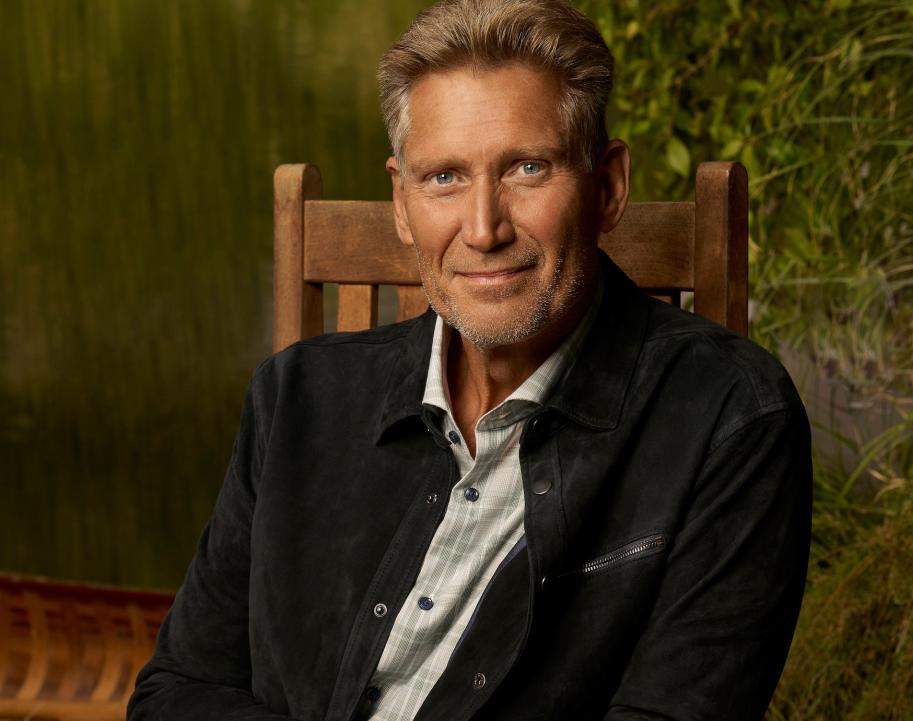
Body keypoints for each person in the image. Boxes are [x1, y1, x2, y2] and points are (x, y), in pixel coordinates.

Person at [128, 0, 811, 719]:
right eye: (444, 178)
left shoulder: (729, 418)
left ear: (606, 187)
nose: (483, 229)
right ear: (401, 201)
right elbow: (176, 692)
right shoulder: (297, 396)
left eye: (526, 167)